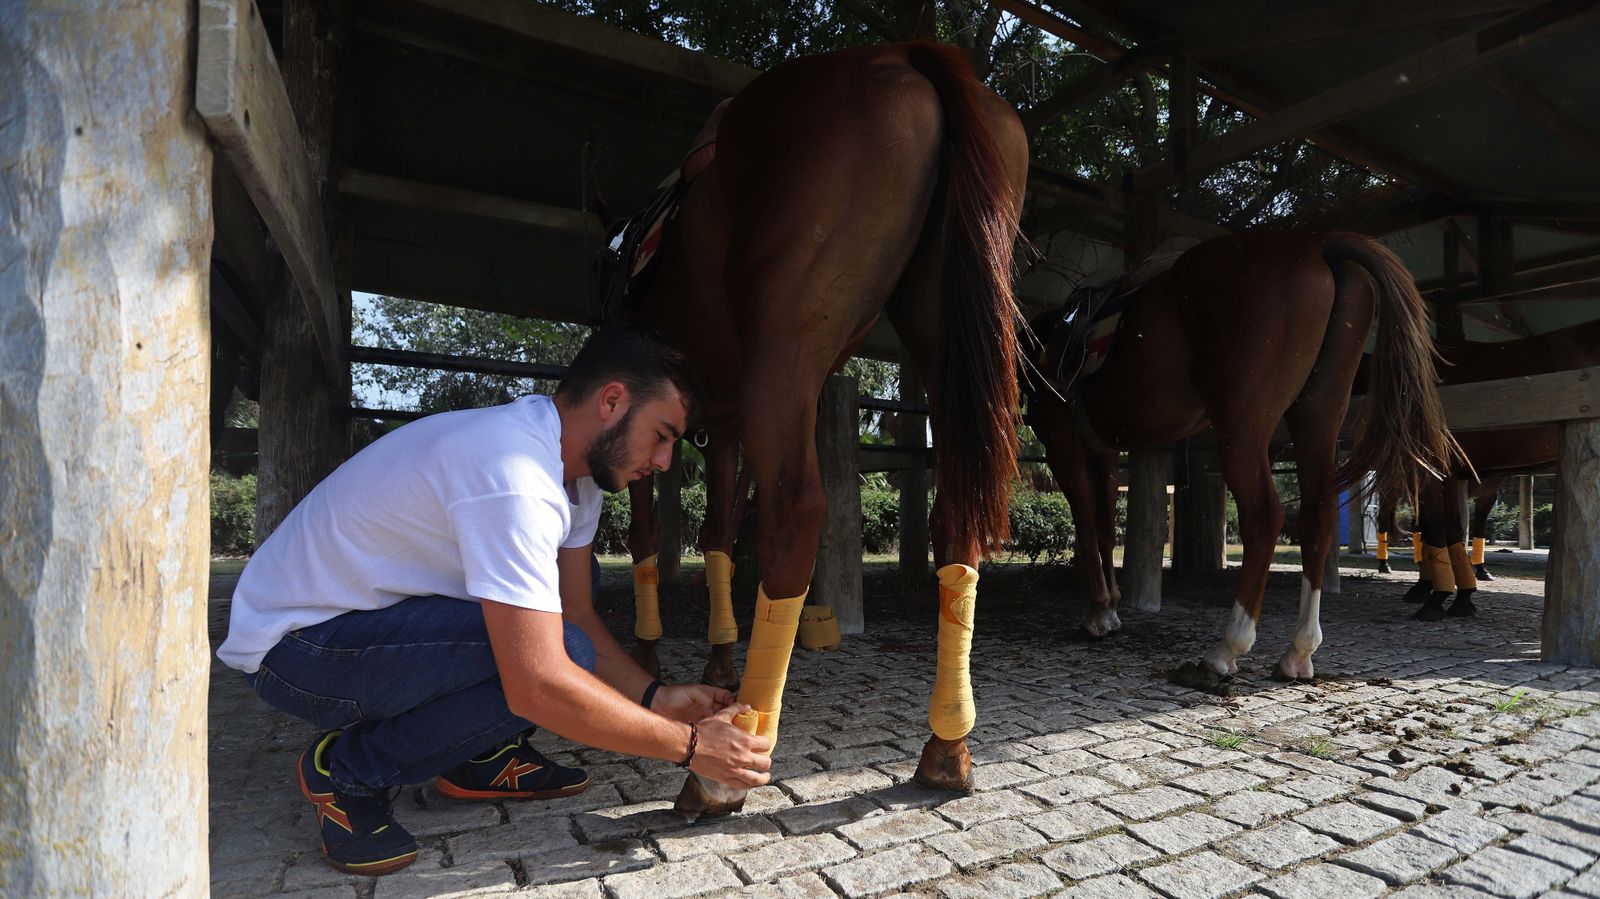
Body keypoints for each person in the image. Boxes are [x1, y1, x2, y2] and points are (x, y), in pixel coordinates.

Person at [217, 325, 772, 875]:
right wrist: (690, 745)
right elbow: (539, 682)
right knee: (558, 656)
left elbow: (574, 609)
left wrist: (656, 697)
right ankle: (347, 769)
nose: (664, 461)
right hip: (294, 650)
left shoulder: (573, 476)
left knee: (568, 607)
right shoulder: (514, 473)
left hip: (359, 626)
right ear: (612, 401)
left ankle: (472, 754)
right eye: (663, 434)